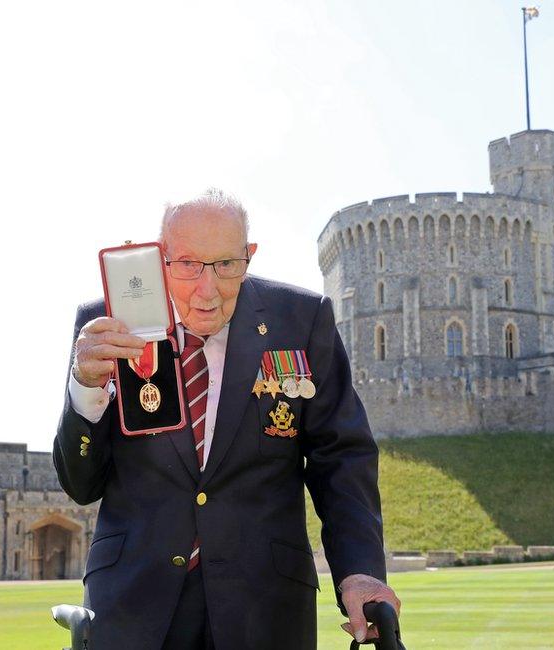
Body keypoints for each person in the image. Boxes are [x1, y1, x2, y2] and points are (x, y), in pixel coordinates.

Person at [53, 188, 399, 649]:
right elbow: (80, 484)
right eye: (189, 265)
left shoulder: (301, 319)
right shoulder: (105, 324)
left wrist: (360, 573)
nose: (207, 289)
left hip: (265, 610)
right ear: (160, 259)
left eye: (226, 266)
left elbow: (342, 458)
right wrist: (86, 388)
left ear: (248, 256)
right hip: (134, 609)